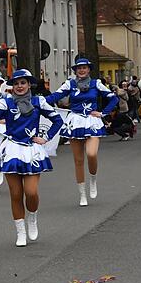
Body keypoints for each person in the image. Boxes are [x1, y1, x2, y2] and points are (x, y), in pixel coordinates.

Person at [0, 69, 64, 245]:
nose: (19, 86)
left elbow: (57, 120)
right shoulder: (6, 103)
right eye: (16, 83)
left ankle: (32, 216)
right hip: (12, 151)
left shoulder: (39, 101)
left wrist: (45, 138)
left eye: (23, 83)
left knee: (31, 193)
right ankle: (20, 232)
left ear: (29, 84)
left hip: (32, 150)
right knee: (16, 194)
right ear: (12, 86)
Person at [46, 57, 118, 205]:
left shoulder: (96, 83)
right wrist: (37, 100)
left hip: (91, 121)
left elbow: (113, 99)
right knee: (78, 161)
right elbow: (55, 96)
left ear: (89, 69)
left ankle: (93, 178)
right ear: (75, 70)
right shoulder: (69, 84)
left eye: (84, 67)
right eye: (79, 68)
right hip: (75, 122)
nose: (81, 70)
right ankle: (82, 195)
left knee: (91, 154)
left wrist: (103, 113)